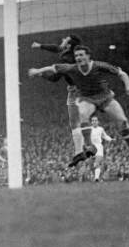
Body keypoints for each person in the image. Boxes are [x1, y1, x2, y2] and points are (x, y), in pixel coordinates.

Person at [28, 45, 129, 167]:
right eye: (76, 55)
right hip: (87, 99)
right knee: (83, 114)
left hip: (105, 97)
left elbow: (122, 74)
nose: (78, 57)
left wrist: (128, 86)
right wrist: (37, 71)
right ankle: (90, 147)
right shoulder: (72, 68)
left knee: (123, 121)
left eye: (81, 55)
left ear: (88, 56)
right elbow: (53, 68)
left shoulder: (99, 66)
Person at [31, 35, 90, 163]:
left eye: (65, 39)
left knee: (75, 122)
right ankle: (84, 148)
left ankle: (81, 150)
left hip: (76, 91)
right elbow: (58, 48)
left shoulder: (66, 58)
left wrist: (39, 73)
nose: (62, 40)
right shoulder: (78, 55)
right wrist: (40, 46)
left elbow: (54, 77)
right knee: (83, 120)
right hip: (85, 88)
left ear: (68, 45)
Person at [89, 116, 114, 182]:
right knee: (92, 165)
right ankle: (97, 177)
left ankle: (96, 179)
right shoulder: (89, 129)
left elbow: (104, 136)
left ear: (98, 122)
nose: (94, 122)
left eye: (95, 120)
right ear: (91, 122)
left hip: (99, 146)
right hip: (91, 147)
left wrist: (110, 139)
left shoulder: (101, 129)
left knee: (97, 163)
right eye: (93, 120)